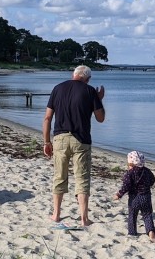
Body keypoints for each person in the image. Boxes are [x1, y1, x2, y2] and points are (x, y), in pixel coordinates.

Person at [43, 65, 105, 227]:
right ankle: (84, 218)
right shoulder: (90, 91)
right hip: (81, 139)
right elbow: (100, 118)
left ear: (74, 74)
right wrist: (99, 99)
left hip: (60, 138)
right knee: (82, 178)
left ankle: (56, 214)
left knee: (59, 176)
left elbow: (48, 118)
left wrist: (46, 141)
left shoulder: (57, 89)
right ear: (87, 78)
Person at [114, 151, 155, 242]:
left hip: (134, 198)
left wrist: (119, 194)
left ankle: (132, 232)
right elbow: (153, 180)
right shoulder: (147, 171)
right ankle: (151, 232)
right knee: (147, 215)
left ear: (130, 163)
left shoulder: (129, 173)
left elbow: (126, 186)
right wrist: (147, 185)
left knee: (132, 215)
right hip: (146, 197)